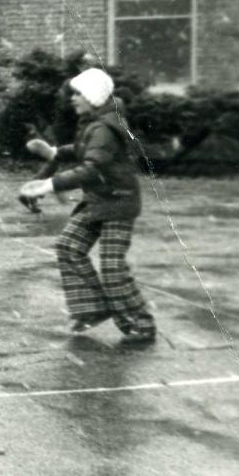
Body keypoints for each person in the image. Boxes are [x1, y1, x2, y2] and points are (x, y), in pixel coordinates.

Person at [19, 67, 156, 343]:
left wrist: (48, 184)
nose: (73, 99)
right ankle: (93, 308)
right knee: (69, 246)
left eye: (78, 93)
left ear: (92, 97)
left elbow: (92, 167)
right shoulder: (95, 122)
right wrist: (56, 152)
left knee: (112, 266)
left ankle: (140, 322)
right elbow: (85, 148)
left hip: (117, 202)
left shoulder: (104, 127)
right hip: (99, 201)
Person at [18, 50, 100, 214]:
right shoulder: (74, 83)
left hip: (75, 127)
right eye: (89, 64)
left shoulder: (81, 82)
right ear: (80, 66)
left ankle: (33, 191)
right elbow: (67, 107)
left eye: (93, 64)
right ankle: (36, 191)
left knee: (57, 160)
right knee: (70, 159)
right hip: (70, 128)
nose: (93, 67)